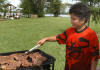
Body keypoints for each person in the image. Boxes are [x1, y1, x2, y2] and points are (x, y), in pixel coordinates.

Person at [37, 3, 99, 70]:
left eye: (73, 19)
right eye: (71, 18)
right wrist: (46, 39)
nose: (71, 21)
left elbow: (94, 57)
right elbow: (58, 38)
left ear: (83, 20)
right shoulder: (69, 31)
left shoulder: (91, 35)